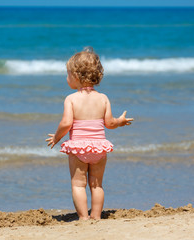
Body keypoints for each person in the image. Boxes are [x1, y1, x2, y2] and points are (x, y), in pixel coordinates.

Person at [46, 47, 134, 220]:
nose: (67, 78)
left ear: (77, 77)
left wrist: (57, 137)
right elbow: (109, 123)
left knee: (78, 185)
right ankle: (96, 216)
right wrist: (120, 122)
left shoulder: (71, 99)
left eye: (68, 74)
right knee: (97, 185)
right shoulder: (103, 98)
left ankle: (83, 218)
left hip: (79, 148)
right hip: (99, 147)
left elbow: (66, 123)